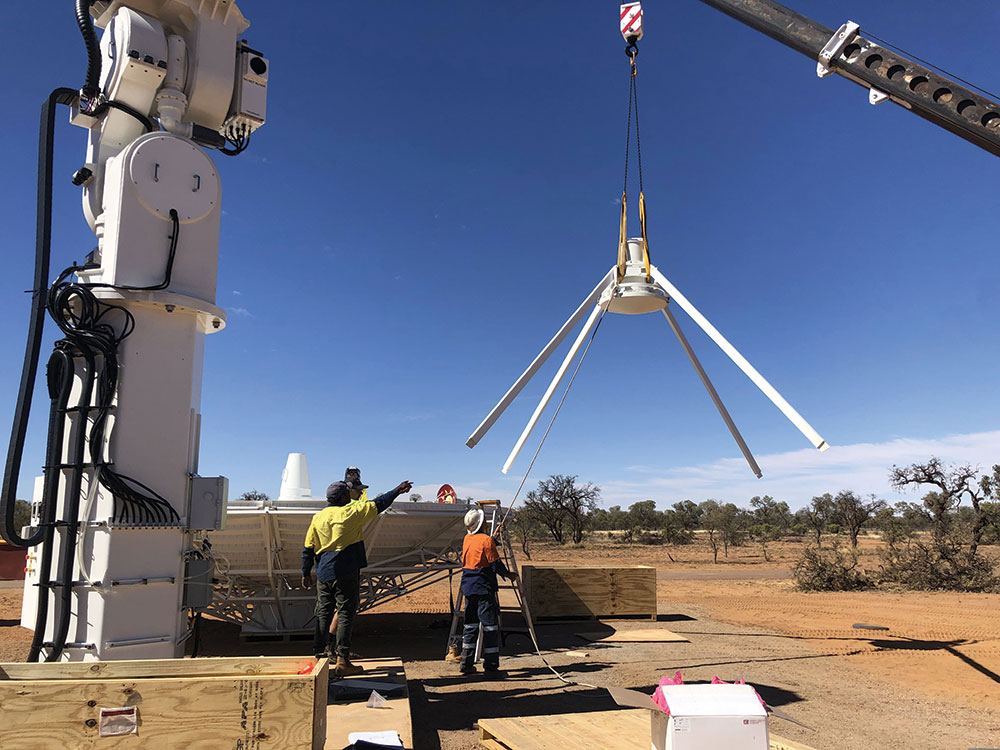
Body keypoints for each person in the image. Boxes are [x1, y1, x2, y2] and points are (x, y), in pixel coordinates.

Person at [302, 477, 413, 676]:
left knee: (323, 614)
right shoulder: (351, 513)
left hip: (323, 573)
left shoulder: (317, 517)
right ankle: (343, 661)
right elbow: (379, 503)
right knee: (345, 613)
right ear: (344, 496)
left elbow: (308, 548)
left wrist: (305, 572)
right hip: (345, 571)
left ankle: (319, 658)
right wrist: (398, 489)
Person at [457, 507, 517, 676]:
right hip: (483, 587)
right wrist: (508, 574)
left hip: (469, 587)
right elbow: (495, 563)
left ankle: (466, 663)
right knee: (490, 627)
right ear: (481, 523)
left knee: (470, 625)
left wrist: (495, 536)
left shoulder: (467, 539)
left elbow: (481, 548)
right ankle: (491, 666)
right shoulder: (486, 541)